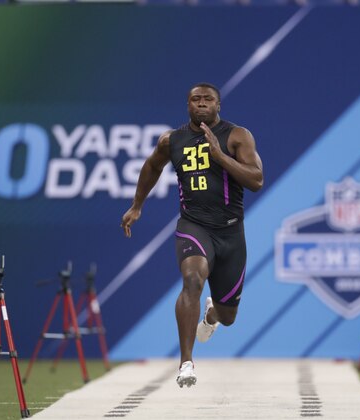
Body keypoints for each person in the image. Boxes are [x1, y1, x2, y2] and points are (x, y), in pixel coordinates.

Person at [120, 82, 263, 388]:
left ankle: (211, 315)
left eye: (207, 99)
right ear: (188, 106)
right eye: (195, 100)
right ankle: (186, 362)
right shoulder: (172, 140)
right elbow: (152, 166)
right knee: (192, 279)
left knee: (228, 317)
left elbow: (257, 180)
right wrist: (137, 206)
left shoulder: (237, 135)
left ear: (218, 105)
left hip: (230, 233)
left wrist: (220, 156)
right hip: (194, 227)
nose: (201, 104)